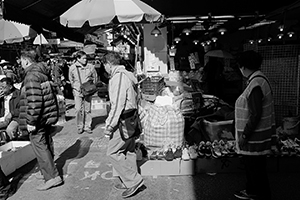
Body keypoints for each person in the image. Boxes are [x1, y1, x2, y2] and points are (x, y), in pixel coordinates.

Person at [18, 48, 62, 191]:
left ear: (25, 60)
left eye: (21, 60)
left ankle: (52, 177)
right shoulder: (42, 72)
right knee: (46, 144)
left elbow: (34, 101)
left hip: (38, 118)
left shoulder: (31, 76)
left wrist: (31, 122)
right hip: (45, 115)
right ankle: (48, 171)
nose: (20, 63)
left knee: (40, 146)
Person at [234, 50, 275, 200]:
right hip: (257, 134)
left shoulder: (256, 84)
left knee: (255, 168)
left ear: (243, 67)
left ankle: (258, 194)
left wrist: (245, 134)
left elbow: (255, 114)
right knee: (255, 168)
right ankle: (253, 191)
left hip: (255, 136)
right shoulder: (259, 79)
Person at [103, 52, 144, 198]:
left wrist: (109, 125)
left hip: (123, 120)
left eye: (105, 65)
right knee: (128, 150)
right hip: (131, 118)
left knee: (113, 152)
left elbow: (117, 104)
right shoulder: (127, 75)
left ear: (108, 64)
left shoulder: (119, 77)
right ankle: (130, 180)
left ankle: (133, 181)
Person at [68, 51, 97, 134]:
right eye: (83, 58)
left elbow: (95, 78)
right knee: (78, 109)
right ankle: (80, 126)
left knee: (87, 109)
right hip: (78, 91)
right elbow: (71, 79)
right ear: (78, 59)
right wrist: (75, 87)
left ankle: (87, 126)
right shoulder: (72, 68)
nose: (85, 60)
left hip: (88, 91)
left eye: (86, 58)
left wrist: (91, 87)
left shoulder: (91, 67)